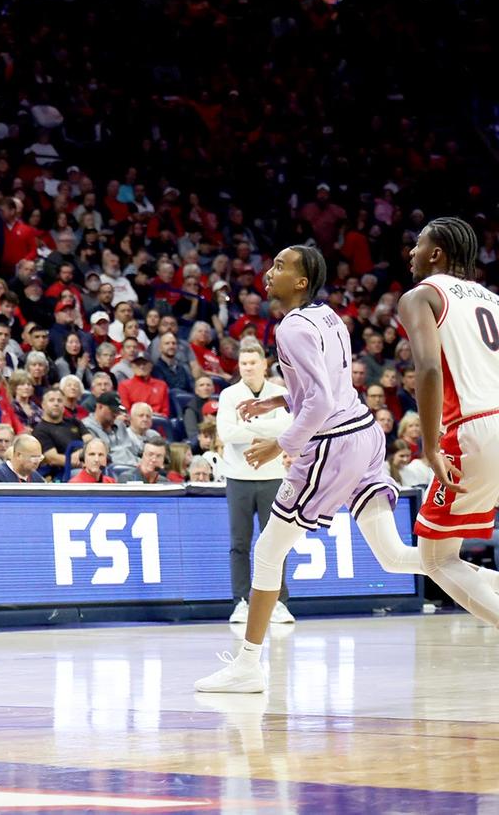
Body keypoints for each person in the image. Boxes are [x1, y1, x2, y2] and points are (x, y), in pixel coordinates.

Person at [196, 245, 430, 696]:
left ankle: (247, 666)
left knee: (266, 552)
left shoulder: (292, 327)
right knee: (394, 556)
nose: (270, 271)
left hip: (333, 444)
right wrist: (278, 399)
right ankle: (478, 579)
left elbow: (321, 401)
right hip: (364, 434)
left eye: (281, 266)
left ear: (301, 282)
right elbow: (328, 386)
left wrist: (280, 444)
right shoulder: (329, 317)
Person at [396, 218, 499, 621]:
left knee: (437, 559)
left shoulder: (421, 296)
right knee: (443, 557)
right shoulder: (492, 300)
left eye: (418, 244)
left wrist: (430, 444)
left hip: (474, 427)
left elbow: (428, 369)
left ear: (436, 253)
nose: (411, 252)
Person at [216, 344, 294, 623]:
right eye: (243, 362)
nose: (247, 367)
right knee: (240, 543)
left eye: (252, 362)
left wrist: (247, 427)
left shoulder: (278, 394)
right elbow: (226, 434)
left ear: (264, 364)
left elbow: (290, 427)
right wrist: (268, 430)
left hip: (273, 476)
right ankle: (240, 601)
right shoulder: (229, 395)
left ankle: (278, 602)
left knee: (275, 543)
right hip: (238, 477)